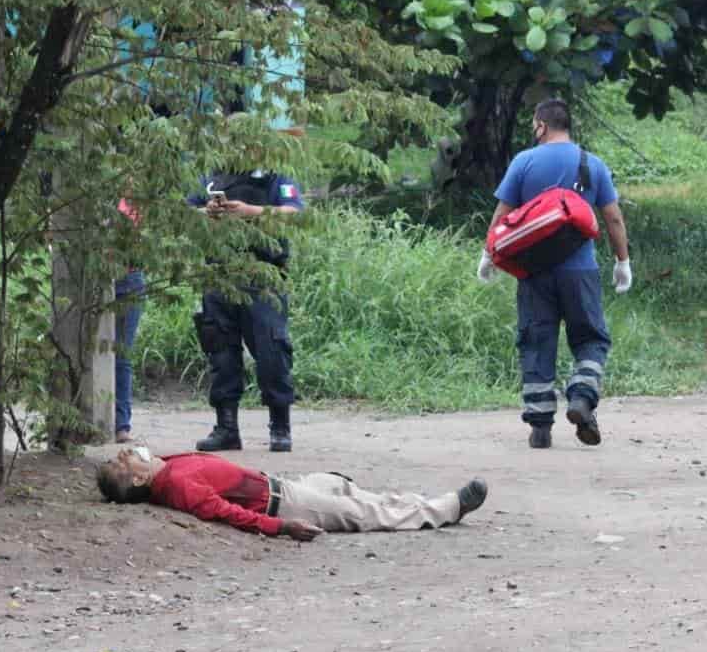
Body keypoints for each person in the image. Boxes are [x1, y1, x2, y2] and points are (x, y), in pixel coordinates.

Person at [481, 98, 633, 449]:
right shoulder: (592, 164)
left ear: (541, 126)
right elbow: (612, 217)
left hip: (534, 272)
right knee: (591, 339)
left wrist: (489, 255)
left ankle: (540, 428)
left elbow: (502, 215)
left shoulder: (524, 161)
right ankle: (581, 398)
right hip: (581, 271)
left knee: (537, 341)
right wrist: (622, 261)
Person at [95, 448, 489, 539]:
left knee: (341, 484)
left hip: (283, 483)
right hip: (285, 503)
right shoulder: (177, 485)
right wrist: (281, 527)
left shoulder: (166, 465)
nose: (125, 453)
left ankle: (411, 503)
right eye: (122, 463)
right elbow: (223, 512)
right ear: (139, 481)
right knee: (365, 512)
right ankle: (448, 508)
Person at [190, 170, 303, 452]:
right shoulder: (211, 178)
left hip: (262, 276)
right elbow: (186, 214)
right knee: (221, 353)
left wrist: (251, 212)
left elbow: (295, 213)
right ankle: (227, 429)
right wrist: (209, 211)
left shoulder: (276, 177)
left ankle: (280, 428)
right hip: (218, 274)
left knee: (272, 351)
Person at [114, 198, 145, 444]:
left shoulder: (132, 203)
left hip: (128, 279)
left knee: (122, 355)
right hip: (92, 279)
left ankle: (120, 424)